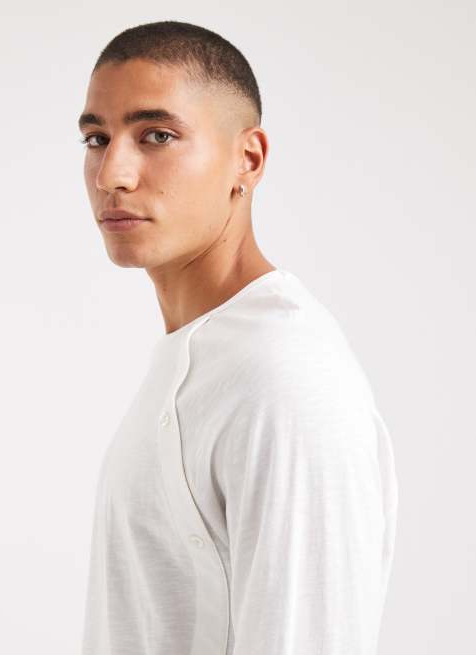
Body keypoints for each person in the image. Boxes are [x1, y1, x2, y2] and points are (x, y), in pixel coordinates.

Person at [78, 20, 399, 655]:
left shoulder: (284, 378)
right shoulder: (206, 353)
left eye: (157, 135)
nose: (112, 173)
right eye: (97, 138)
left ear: (246, 159)